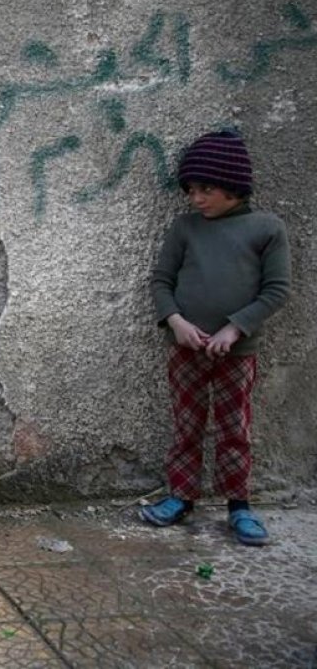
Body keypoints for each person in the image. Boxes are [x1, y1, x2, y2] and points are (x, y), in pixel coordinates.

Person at [144, 130, 290, 546]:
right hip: (187, 348)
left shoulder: (266, 229)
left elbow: (276, 289)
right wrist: (176, 322)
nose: (196, 198)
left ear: (233, 188)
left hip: (236, 351)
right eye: (191, 190)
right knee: (187, 425)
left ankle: (239, 505)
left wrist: (235, 327)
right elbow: (161, 281)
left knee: (234, 429)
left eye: (206, 189)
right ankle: (181, 496)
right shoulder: (186, 228)